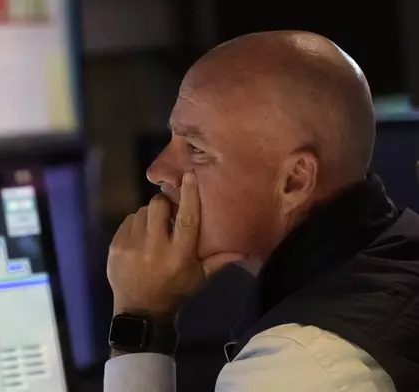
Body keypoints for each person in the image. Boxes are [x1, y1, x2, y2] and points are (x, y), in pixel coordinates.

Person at [104, 31, 419, 392]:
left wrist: (141, 317)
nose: (157, 171)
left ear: (295, 181)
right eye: (172, 139)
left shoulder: (300, 367)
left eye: (195, 149)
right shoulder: (400, 251)